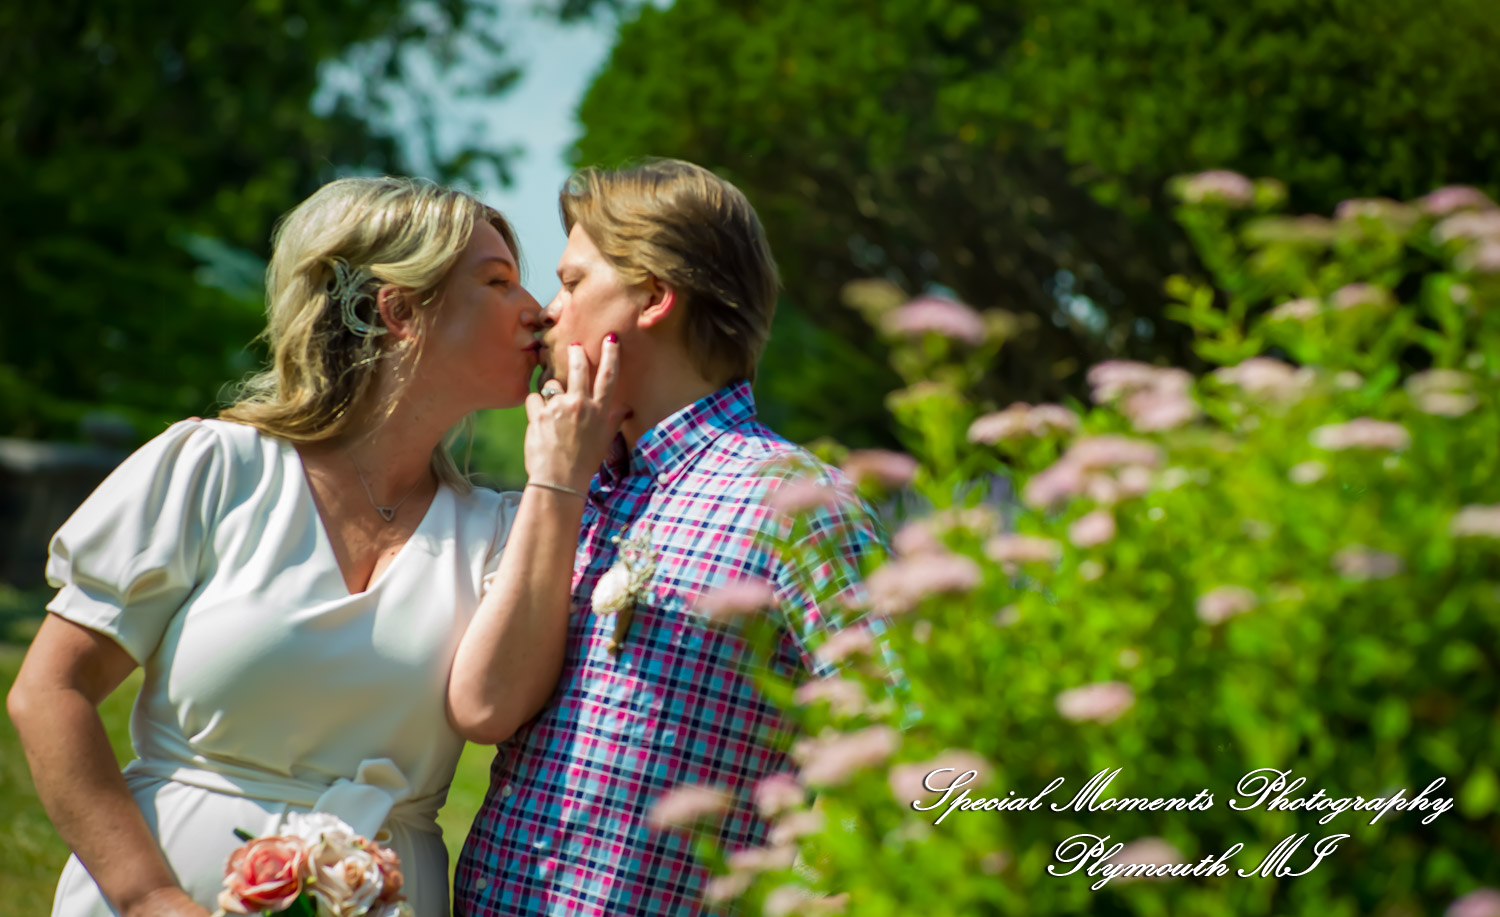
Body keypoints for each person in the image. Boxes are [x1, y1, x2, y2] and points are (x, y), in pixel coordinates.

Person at [6, 176, 621, 917]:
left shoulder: (505, 530)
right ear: (399, 308)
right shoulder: (215, 468)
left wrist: (560, 480)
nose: (540, 311)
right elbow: (49, 692)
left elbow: (495, 709)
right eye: (498, 282)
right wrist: (148, 896)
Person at [455, 159, 884, 916]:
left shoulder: (792, 501)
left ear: (652, 297)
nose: (550, 311)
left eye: (574, 281)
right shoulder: (575, 492)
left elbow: (906, 741)